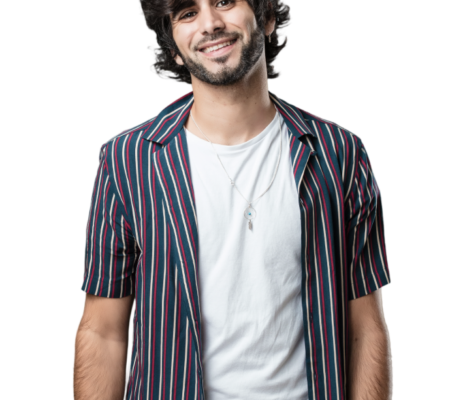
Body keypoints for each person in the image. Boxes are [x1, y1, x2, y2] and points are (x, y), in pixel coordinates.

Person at [73, 1, 393, 399]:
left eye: (224, 1)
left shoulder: (338, 153)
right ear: (173, 46)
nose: (210, 23)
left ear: (267, 17)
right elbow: (103, 332)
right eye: (187, 13)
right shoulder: (127, 160)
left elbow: (365, 327)